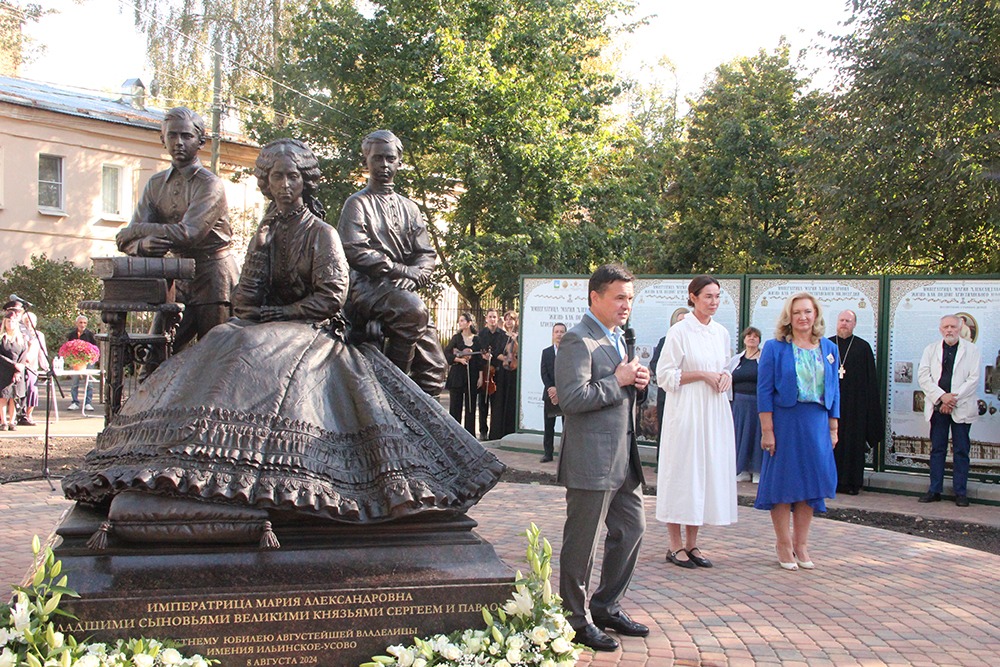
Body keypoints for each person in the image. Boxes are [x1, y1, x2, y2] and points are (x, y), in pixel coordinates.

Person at [64, 139, 503, 526]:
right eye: (276, 177)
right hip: (267, 324)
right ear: (267, 183)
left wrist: (278, 312)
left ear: (305, 182)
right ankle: (186, 452)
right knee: (225, 338)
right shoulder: (266, 233)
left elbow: (330, 297)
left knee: (261, 348)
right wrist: (258, 277)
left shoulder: (323, 233)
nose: (285, 185)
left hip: (313, 329)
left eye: (293, 176)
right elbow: (244, 300)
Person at [555, 263, 650, 652]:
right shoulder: (578, 340)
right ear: (595, 297)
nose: (626, 304)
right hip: (591, 461)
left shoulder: (618, 337)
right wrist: (620, 381)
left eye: (630, 297)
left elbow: (619, 393)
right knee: (582, 545)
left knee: (632, 530)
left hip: (623, 460)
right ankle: (575, 620)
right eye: (619, 297)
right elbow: (573, 399)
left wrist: (637, 386)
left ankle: (607, 605)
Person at [115, 107, 240, 360]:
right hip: (176, 281)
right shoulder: (156, 184)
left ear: (200, 141)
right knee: (154, 359)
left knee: (214, 363)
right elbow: (125, 241)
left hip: (214, 281)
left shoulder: (210, 184)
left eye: (186, 136)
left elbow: (189, 233)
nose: (179, 142)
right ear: (163, 140)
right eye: (172, 136)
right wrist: (143, 246)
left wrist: (139, 230)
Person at [338, 129, 446, 396]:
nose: (384, 165)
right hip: (368, 288)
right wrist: (400, 270)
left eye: (389, 158)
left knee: (436, 367)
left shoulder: (410, 208)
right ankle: (393, 392)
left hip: (402, 289)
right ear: (367, 161)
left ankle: (424, 425)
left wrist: (414, 274)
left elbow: (426, 253)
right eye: (377, 158)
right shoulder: (357, 203)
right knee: (413, 310)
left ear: (399, 162)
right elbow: (355, 251)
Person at [655, 275, 738, 569]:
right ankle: (674, 544)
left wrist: (725, 376)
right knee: (683, 472)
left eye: (717, 297)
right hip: (687, 410)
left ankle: (693, 542)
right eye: (708, 297)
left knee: (703, 472)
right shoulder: (679, 332)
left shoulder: (721, 333)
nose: (714, 302)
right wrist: (702, 374)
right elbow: (664, 375)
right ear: (693, 297)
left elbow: (726, 366)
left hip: (712, 410)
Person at [756, 292, 840, 571]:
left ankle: (801, 544)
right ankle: (783, 543)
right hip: (785, 422)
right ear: (788, 318)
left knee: (810, 484)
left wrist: (833, 426)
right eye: (797, 313)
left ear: (815, 314)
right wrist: (767, 430)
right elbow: (764, 391)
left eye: (807, 311)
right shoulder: (774, 348)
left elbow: (834, 390)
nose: (803, 317)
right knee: (783, 484)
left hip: (816, 422)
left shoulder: (828, 348)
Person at [916, 314, 981, 507]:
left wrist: (952, 399)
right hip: (938, 406)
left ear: (960, 328)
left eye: (953, 326)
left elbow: (973, 379)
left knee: (961, 450)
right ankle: (935, 489)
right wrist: (941, 397)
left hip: (960, 405)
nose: (949, 330)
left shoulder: (972, 350)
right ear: (940, 329)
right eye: (946, 327)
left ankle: (960, 492)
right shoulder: (931, 349)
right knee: (937, 449)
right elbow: (923, 376)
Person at [830, 310, 882, 495]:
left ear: (854, 324)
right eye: (841, 320)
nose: (844, 323)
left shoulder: (862, 347)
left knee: (853, 443)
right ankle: (830, 482)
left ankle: (852, 483)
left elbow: (870, 382)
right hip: (831, 405)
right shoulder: (827, 344)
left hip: (855, 407)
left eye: (848, 321)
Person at [728, 326, 763, 483]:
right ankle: (741, 469)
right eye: (749, 336)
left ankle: (757, 470)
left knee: (756, 437)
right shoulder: (736, 360)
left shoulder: (763, 359)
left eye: (755, 336)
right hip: (738, 405)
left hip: (756, 404)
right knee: (739, 436)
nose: (752, 338)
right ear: (744, 339)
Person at [474, 308, 508, 439]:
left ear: (497, 318)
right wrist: (484, 356)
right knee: (482, 403)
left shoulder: (503, 335)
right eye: (490, 317)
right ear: (486, 319)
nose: (492, 319)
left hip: (498, 373)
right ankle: (483, 430)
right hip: (484, 371)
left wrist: (492, 357)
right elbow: (478, 351)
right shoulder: (481, 335)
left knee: (496, 403)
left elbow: (502, 352)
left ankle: (495, 431)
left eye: (494, 317)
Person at [444, 312, 479, 435]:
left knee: (470, 406)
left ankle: (470, 435)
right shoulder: (456, 338)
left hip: (472, 374)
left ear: (469, 323)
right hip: (457, 375)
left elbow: (480, 359)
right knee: (455, 406)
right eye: (459, 320)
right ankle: (455, 433)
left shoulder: (477, 339)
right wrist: (458, 359)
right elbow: (447, 353)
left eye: (463, 320)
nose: (460, 323)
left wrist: (480, 376)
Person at [539, 322, 566, 463]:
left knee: (566, 427)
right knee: (549, 426)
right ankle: (547, 453)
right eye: (557, 332)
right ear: (553, 334)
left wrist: (559, 391)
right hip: (549, 395)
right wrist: (552, 390)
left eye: (562, 332)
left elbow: (570, 374)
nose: (559, 334)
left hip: (566, 395)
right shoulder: (546, 352)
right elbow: (544, 373)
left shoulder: (570, 353)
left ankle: (565, 455)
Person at [493, 310, 519, 439]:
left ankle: (511, 429)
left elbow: (520, 352)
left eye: (512, 319)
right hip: (504, 370)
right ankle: (499, 431)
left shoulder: (519, 335)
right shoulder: (502, 336)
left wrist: (516, 341)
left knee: (512, 400)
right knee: (501, 400)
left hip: (515, 372)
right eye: (507, 319)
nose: (509, 322)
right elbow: (496, 352)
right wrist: (505, 359)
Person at [0, 310, 27, 430]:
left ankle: (12, 421)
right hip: (3, 371)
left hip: (17, 372)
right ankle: (3, 422)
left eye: (13, 321)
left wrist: (18, 369)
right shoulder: (1, 338)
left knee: (14, 397)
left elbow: (23, 354)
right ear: (5, 323)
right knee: (3, 397)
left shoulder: (21, 339)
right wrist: (13, 365)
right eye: (8, 321)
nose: (11, 324)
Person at [20, 312, 49, 426]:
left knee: (32, 390)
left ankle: (29, 414)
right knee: (21, 391)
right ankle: (20, 415)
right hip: (21, 366)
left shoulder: (39, 335)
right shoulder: (20, 334)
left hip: (33, 367)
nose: (29, 324)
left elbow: (42, 352)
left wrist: (46, 367)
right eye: (26, 321)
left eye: (31, 321)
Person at [66, 315, 98, 411]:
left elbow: (94, 348)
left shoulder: (90, 334)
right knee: (75, 382)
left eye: (84, 323)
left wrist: (91, 359)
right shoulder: (72, 334)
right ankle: (75, 402)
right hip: (75, 360)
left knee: (89, 382)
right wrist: (70, 361)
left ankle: (88, 403)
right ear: (76, 323)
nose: (82, 324)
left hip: (88, 360)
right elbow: (68, 347)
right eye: (80, 322)